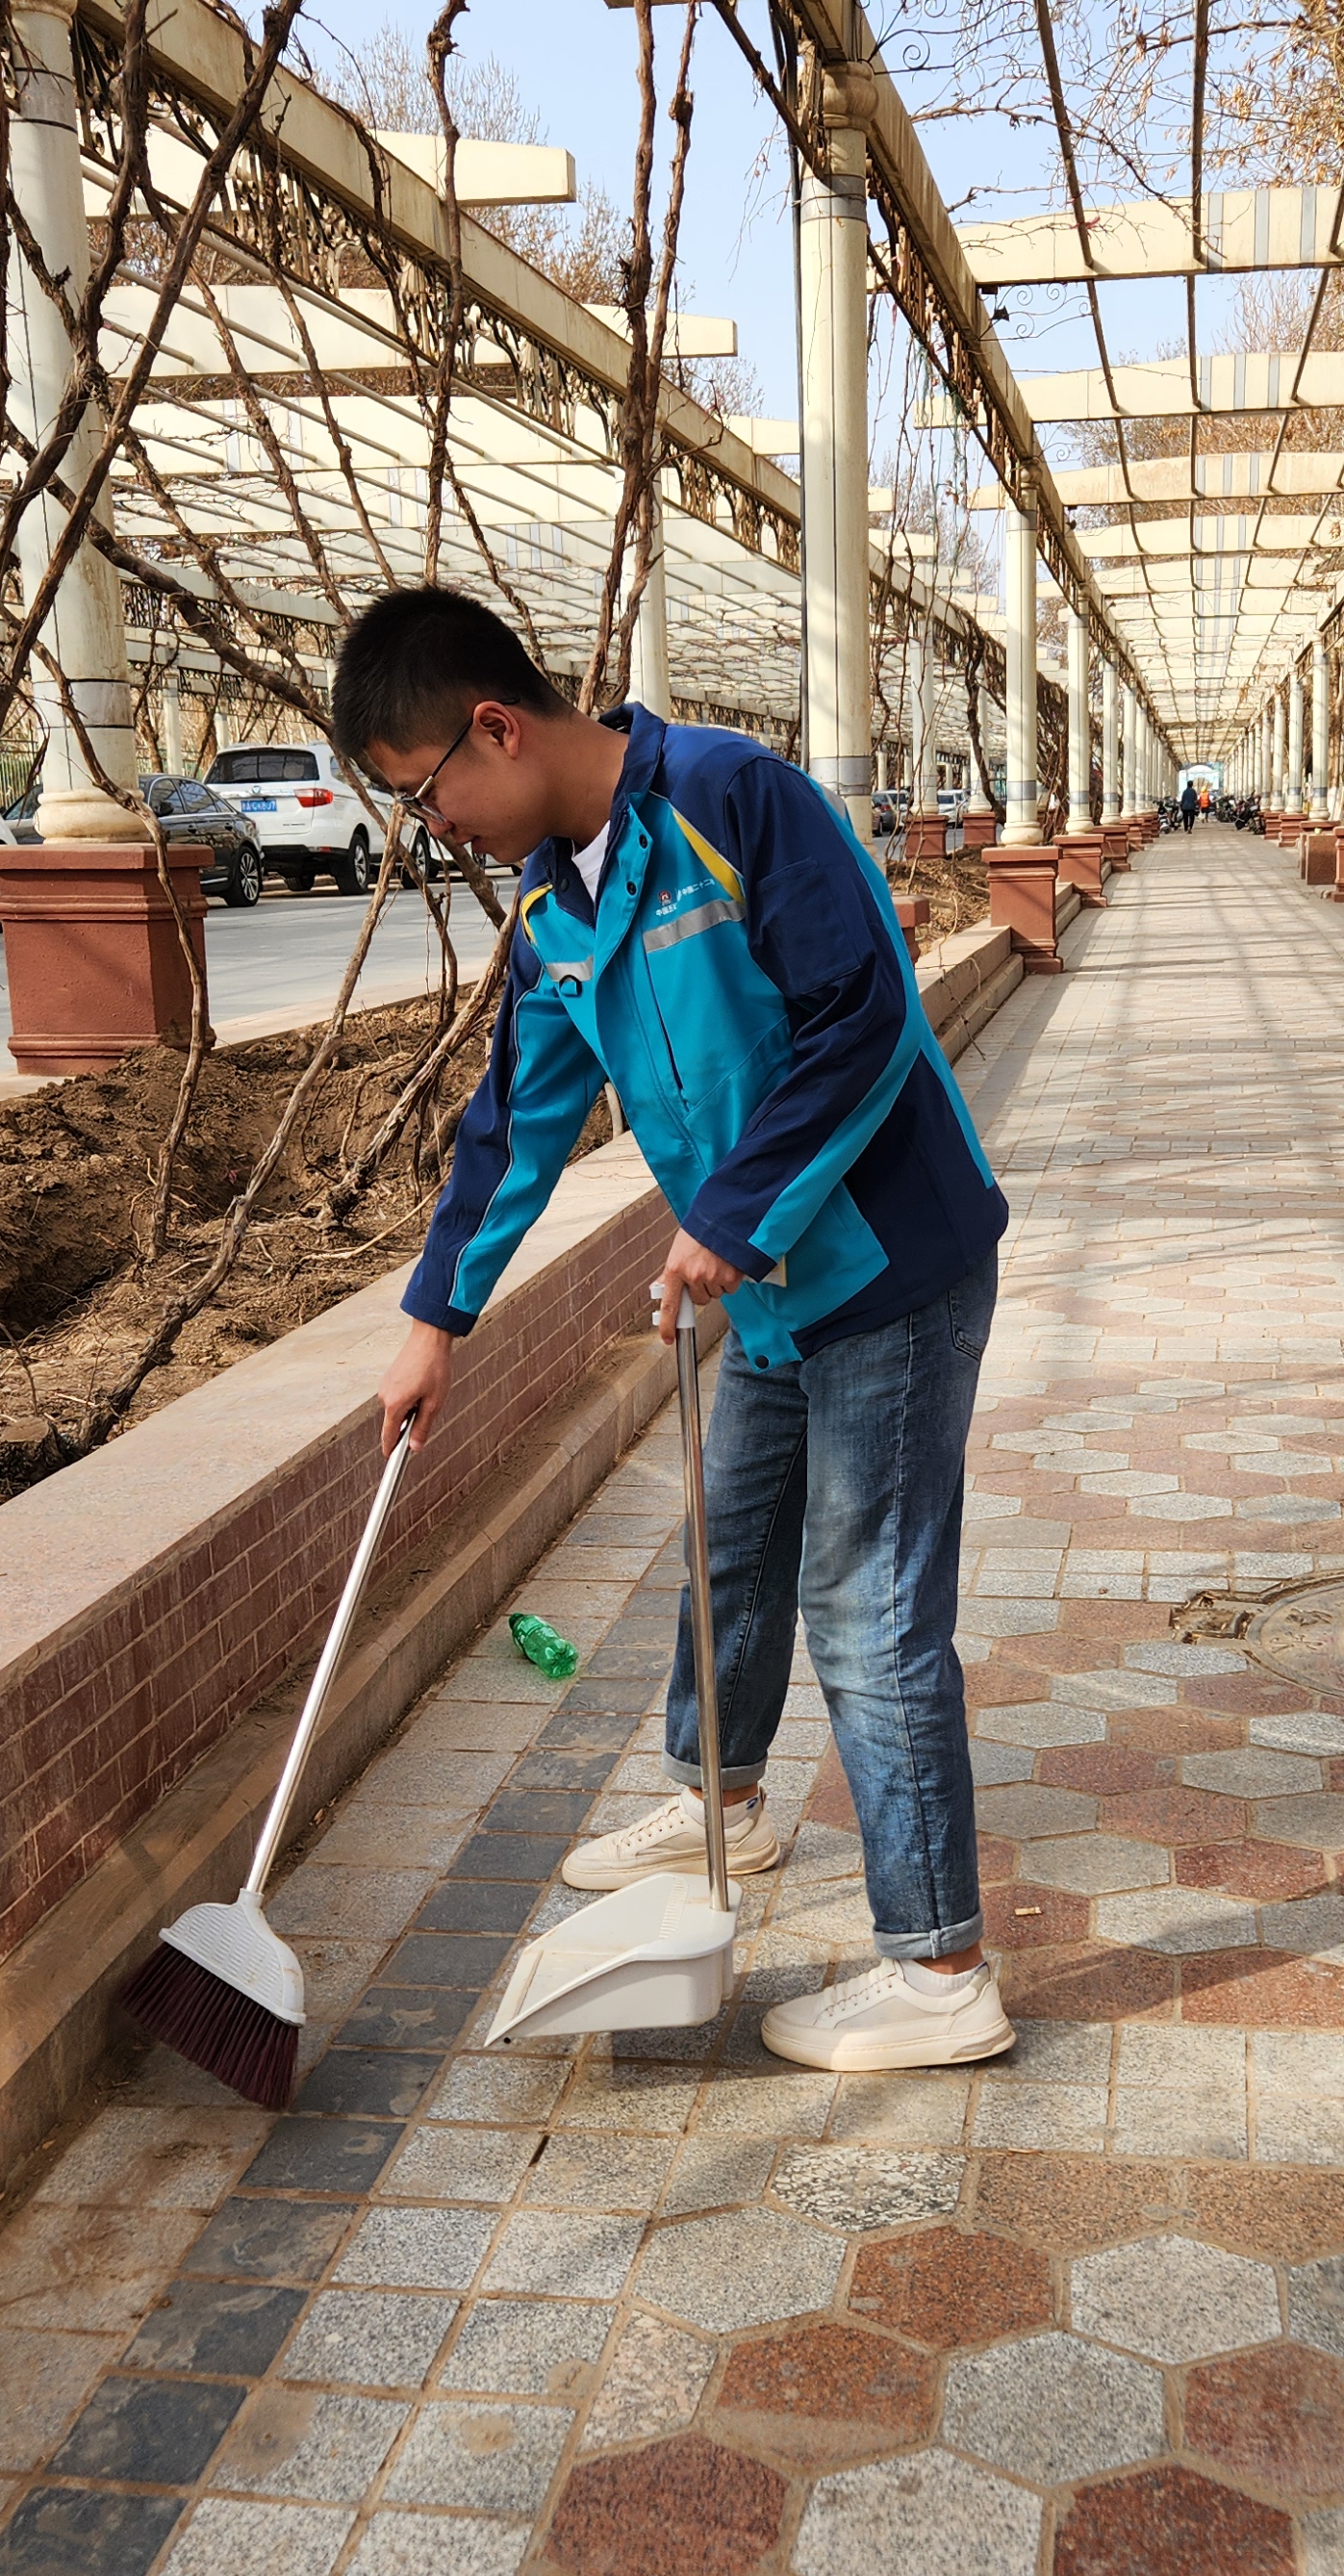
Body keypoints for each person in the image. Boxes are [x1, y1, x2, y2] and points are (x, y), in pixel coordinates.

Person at [332, 585, 1016, 2075]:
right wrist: (435, 1323)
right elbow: (513, 1125)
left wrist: (734, 1216)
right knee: (731, 1547)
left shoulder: (731, 799)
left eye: (427, 793)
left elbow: (861, 1014)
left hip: (888, 1271)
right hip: (763, 1288)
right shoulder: (555, 909)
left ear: (496, 730)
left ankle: (940, 1971)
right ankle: (724, 1806)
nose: (435, 828)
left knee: (867, 1607)